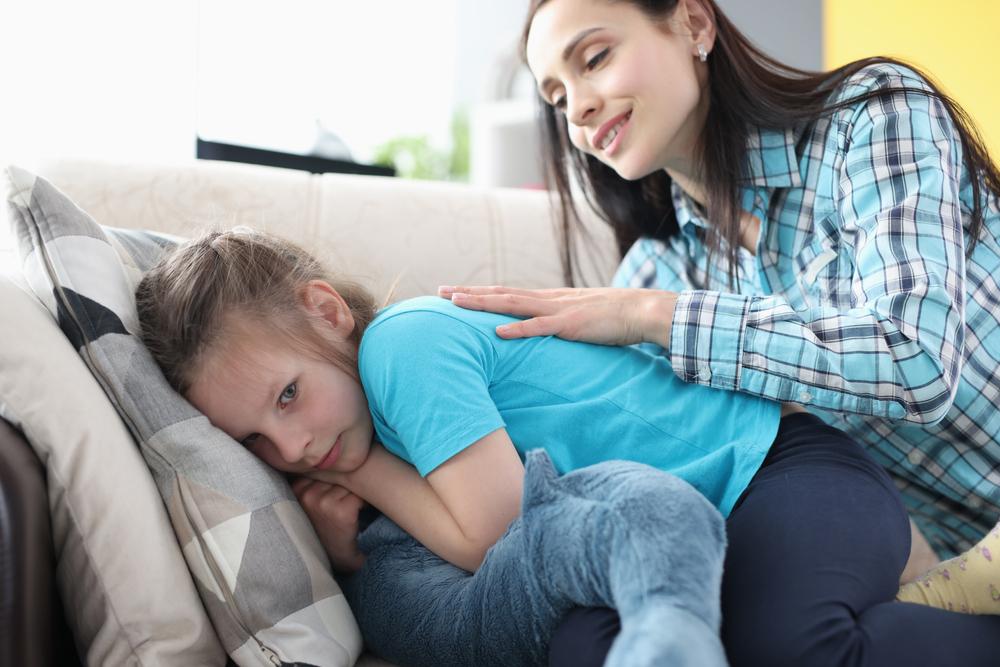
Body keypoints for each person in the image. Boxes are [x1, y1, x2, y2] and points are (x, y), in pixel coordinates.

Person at [137, 227, 1000, 666]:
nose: (294, 443)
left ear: (327, 310)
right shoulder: (369, 420)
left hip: (774, 471)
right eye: (255, 436)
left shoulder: (398, 349)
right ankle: (943, 594)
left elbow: (499, 531)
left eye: (289, 394)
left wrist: (366, 475)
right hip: (713, 528)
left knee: (793, 648)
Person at [437, 0, 1000, 662]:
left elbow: (917, 359)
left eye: (595, 59)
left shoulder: (870, 116)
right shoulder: (656, 268)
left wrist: (655, 316)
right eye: (557, 98)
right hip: (948, 571)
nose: (579, 110)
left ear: (694, 25)